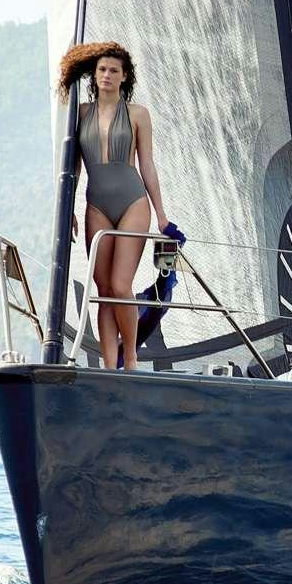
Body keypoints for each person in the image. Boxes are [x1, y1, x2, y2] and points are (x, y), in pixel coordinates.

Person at [58, 41, 171, 370]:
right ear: (94, 74)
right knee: (103, 288)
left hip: (133, 201)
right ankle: (110, 365)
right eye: (102, 69)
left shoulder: (138, 114)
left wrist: (162, 215)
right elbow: (74, 168)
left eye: (113, 71)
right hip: (97, 204)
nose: (107, 75)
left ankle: (131, 358)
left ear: (124, 77)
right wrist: (69, 210)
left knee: (121, 285)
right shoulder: (80, 114)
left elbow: (147, 165)